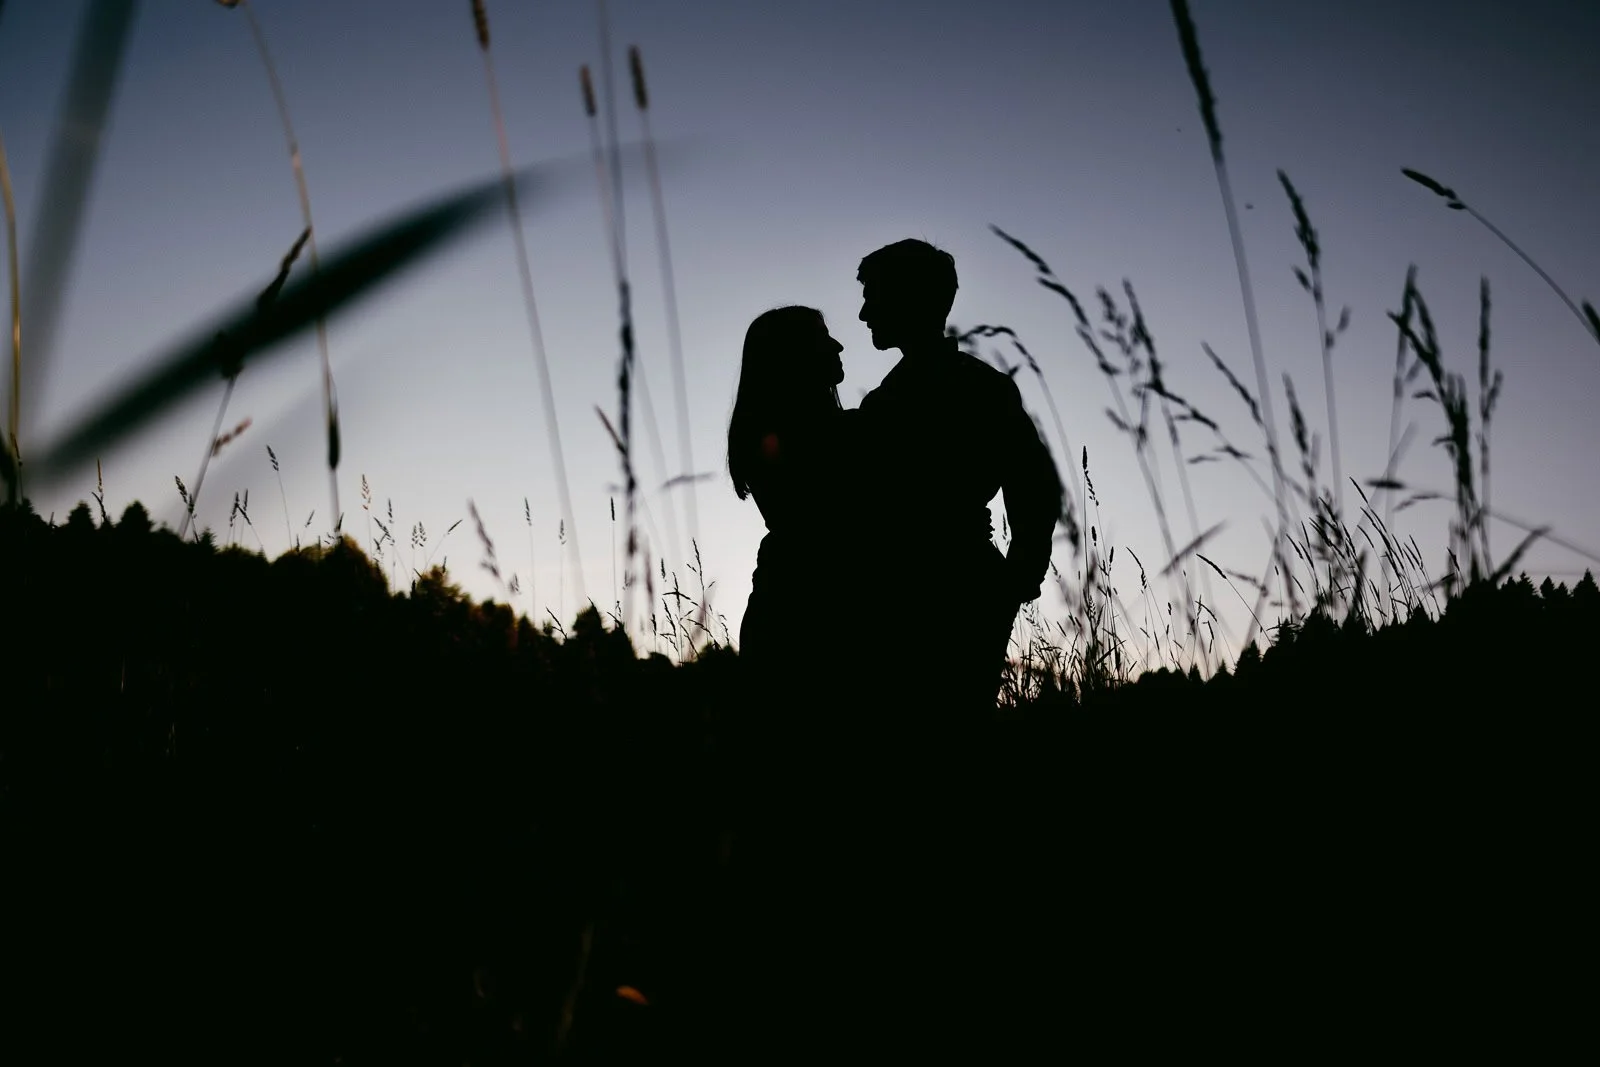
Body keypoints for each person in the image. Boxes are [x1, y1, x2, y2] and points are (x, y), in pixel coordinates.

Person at [854, 237, 1064, 717]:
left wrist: (1013, 584)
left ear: (908, 298)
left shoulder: (971, 390)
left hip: (947, 597)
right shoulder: (893, 400)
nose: (865, 314)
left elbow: (1033, 490)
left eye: (873, 297)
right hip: (910, 599)